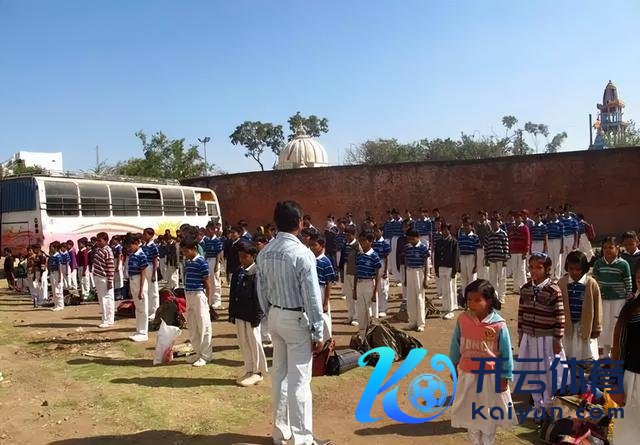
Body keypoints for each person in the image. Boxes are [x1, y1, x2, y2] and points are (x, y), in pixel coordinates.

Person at [255, 201, 331, 445]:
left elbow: (261, 289)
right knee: (299, 380)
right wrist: (318, 331)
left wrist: (269, 314)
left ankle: (281, 432)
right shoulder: (302, 253)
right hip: (295, 318)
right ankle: (303, 438)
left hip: (276, 315)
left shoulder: (264, 252)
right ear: (299, 223)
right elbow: (312, 297)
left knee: (280, 376)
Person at [449, 279, 514, 445]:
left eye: (477, 300)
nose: (471, 303)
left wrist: (505, 376)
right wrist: (452, 365)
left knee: (488, 415)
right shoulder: (462, 320)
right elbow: (455, 345)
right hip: (467, 375)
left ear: (489, 301)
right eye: (469, 299)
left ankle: (488, 441)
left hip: (489, 377)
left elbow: (506, 353)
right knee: (470, 415)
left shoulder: (498, 324)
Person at [517, 253, 566, 415]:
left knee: (548, 371)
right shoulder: (525, 289)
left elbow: (560, 316)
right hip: (529, 337)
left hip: (547, 338)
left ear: (547, 269)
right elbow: (521, 313)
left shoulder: (553, 290)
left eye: (538, 267)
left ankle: (549, 404)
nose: (534, 271)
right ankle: (537, 404)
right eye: (531, 267)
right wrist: (521, 334)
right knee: (533, 371)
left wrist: (557, 339)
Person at [229, 240, 268, 385]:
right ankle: (249, 369)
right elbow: (233, 293)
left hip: (252, 314)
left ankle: (258, 371)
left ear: (253, 256)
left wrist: (257, 316)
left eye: (245, 257)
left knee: (254, 341)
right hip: (240, 313)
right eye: (240, 256)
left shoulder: (257, 273)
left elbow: (259, 296)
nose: (242, 260)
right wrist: (232, 313)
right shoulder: (238, 272)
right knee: (243, 342)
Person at [611, 266, 640, 445]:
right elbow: (619, 348)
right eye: (639, 277)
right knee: (628, 435)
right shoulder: (631, 309)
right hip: (633, 380)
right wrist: (615, 383)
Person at [558, 251, 602, 361]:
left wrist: (597, 327)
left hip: (585, 325)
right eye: (571, 269)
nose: (574, 272)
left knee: (586, 354)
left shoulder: (591, 283)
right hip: (567, 325)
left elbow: (598, 307)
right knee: (567, 352)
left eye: (578, 269)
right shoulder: (562, 283)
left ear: (584, 268)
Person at [593, 237, 632, 357]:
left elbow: (628, 282)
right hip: (603, 300)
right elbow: (594, 281)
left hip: (618, 300)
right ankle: (604, 356)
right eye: (605, 247)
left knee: (615, 326)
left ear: (617, 248)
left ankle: (616, 354)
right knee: (604, 325)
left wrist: (628, 298)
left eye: (611, 247)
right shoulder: (598, 263)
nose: (607, 250)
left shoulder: (623, 264)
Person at [181, 236, 213, 367]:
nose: (184, 254)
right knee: (193, 326)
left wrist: (208, 302)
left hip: (199, 295)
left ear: (193, 249)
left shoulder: (201, 262)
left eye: (186, 251)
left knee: (203, 326)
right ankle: (198, 352)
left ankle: (206, 355)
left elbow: (207, 283)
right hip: (189, 294)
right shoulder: (188, 262)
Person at [308, 233, 337, 341]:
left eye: (314, 245)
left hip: (321, 289)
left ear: (322, 245)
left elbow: (329, 283)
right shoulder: (310, 259)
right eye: (310, 245)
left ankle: (327, 340)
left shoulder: (326, 261)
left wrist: (325, 302)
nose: (312, 248)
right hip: (311, 288)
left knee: (324, 316)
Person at [354, 230, 382, 339]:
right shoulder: (359, 255)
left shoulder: (374, 256)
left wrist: (375, 292)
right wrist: (354, 290)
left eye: (363, 240)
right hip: (360, 284)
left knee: (370, 311)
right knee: (361, 311)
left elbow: (377, 274)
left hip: (369, 283)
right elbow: (356, 273)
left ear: (370, 241)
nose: (361, 243)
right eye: (360, 241)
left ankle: (372, 336)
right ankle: (362, 335)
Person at [403, 229, 429, 331]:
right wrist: (405, 278)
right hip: (409, 271)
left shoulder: (423, 248)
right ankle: (412, 322)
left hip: (419, 271)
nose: (411, 241)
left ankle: (421, 323)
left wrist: (425, 278)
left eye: (412, 239)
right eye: (409, 239)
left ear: (417, 237)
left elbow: (426, 264)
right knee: (410, 298)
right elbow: (406, 262)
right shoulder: (407, 247)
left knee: (419, 297)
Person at [124, 234, 149, 342]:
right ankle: (139, 330)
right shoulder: (132, 255)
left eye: (130, 246)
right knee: (138, 308)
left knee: (142, 309)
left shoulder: (141, 255)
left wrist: (141, 289)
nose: (128, 249)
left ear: (136, 244)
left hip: (140, 281)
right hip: (133, 280)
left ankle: (143, 332)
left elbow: (143, 273)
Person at [435, 223, 459, 320]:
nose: (444, 232)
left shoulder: (453, 242)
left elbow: (456, 257)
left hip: (450, 268)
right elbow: (436, 256)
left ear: (449, 230)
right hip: (441, 267)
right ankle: (445, 307)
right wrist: (436, 269)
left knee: (450, 289)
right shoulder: (439, 242)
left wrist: (454, 270)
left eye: (446, 230)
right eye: (442, 230)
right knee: (444, 289)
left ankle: (451, 309)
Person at [484, 217, 510, 303]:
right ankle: (494, 296)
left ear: (499, 223)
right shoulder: (489, 234)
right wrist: (486, 258)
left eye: (495, 223)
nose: (494, 225)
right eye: (492, 223)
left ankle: (501, 297)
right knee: (492, 279)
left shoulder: (503, 234)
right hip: (491, 259)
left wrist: (505, 259)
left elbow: (506, 247)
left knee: (501, 279)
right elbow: (486, 247)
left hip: (500, 259)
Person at [339, 226, 360, 326]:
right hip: (346, 269)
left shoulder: (357, 246)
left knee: (355, 294)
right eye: (346, 235)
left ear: (354, 234)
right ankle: (350, 315)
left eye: (349, 235)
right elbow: (342, 259)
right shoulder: (345, 245)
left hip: (354, 271)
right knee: (348, 294)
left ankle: (356, 317)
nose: (347, 237)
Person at [93, 232, 115, 328]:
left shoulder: (107, 251)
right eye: (97, 240)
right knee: (103, 299)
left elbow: (110, 267)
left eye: (100, 240)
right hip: (98, 276)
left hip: (104, 277)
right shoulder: (98, 250)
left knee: (106, 299)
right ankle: (107, 319)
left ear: (106, 241)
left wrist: (110, 280)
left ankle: (107, 320)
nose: (98, 242)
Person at [506, 212, 531, 292]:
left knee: (521, 270)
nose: (517, 219)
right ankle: (516, 288)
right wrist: (509, 250)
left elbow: (527, 240)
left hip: (521, 252)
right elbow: (509, 239)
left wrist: (525, 251)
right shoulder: (511, 228)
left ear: (521, 218)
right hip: (513, 251)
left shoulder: (525, 228)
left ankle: (524, 287)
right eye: (516, 217)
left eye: (519, 217)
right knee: (514, 270)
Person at [203, 222, 225, 309]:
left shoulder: (217, 240)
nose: (207, 232)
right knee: (209, 280)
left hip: (214, 260)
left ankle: (217, 300)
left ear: (212, 230)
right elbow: (205, 252)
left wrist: (216, 265)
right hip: (208, 260)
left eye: (208, 230)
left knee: (215, 281)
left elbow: (218, 253)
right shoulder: (207, 240)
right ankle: (211, 299)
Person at [372, 224, 391, 317]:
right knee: (375, 286)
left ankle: (383, 308)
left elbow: (387, 257)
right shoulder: (372, 243)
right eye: (374, 231)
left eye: (378, 231)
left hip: (382, 263)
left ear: (382, 232)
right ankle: (376, 308)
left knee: (383, 288)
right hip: (374, 264)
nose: (376, 233)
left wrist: (385, 271)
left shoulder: (385, 243)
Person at [142, 228, 160, 320]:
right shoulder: (144, 246)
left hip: (151, 267)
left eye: (145, 234)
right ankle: (148, 309)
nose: (143, 236)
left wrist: (154, 273)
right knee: (146, 289)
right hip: (145, 267)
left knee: (153, 290)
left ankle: (154, 311)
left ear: (151, 235)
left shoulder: (153, 246)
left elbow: (155, 260)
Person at [458, 218, 479, 290]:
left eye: (467, 225)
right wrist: (459, 263)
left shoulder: (475, 237)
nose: (466, 227)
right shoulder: (461, 237)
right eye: (464, 225)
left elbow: (476, 251)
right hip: (462, 257)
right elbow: (459, 250)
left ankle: (472, 294)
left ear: (471, 226)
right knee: (463, 278)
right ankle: (465, 294)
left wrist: (476, 265)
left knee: (472, 278)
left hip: (471, 257)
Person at [546, 209, 565, 281]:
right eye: (552, 214)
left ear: (557, 215)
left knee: (557, 259)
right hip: (550, 241)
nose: (553, 215)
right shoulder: (548, 224)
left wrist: (562, 247)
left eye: (554, 214)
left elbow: (562, 236)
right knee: (551, 258)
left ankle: (557, 276)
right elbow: (546, 234)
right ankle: (551, 275)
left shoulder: (560, 224)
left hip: (557, 241)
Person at [474, 211, 491, 280]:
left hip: (485, 247)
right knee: (479, 264)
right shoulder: (477, 225)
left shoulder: (487, 225)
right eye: (479, 216)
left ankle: (486, 279)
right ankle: (480, 279)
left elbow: (489, 235)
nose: (480, 218)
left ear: (485, 217)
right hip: (479, 247)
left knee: (485, 264)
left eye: (482, 216)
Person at [48, 242, 64, 311]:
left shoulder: (58, 256)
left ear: (55, 248)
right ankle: (56, 304)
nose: (50, 248)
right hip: (52, 273)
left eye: (51, 247)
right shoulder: (52, 256)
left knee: (58, 290)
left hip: (57, 273)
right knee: (54, 290)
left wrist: (60, 277)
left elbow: (60, 267)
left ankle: (60, 305)